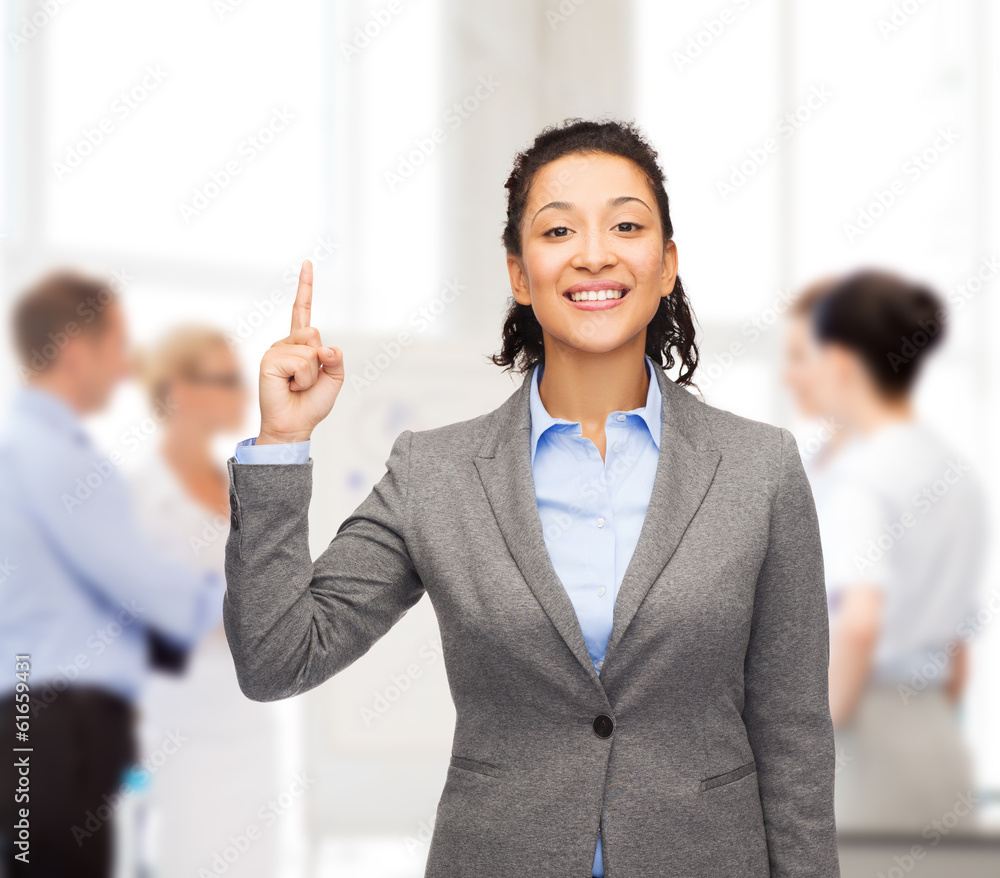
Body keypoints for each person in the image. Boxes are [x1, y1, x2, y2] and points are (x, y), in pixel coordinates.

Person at [223, 118, 841, 875]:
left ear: (667, 265)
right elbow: (277, 658)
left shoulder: (759, 468)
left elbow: (794, 734)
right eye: (558, 230)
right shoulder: (436, 473)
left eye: (626, 225)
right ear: (519, 275)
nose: (594, 254)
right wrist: (282, 442)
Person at [0, 270, 225, 877]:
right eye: (118, 347)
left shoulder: (20, 447)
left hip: (33, 716)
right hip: (57, 722)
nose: (128, 369)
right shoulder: (56, 459)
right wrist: (252, 608)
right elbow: (142, 582)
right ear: (76, 353)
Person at [784, 269, 988, 831]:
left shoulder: (861, 478)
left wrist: (809, 752)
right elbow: (958, 650)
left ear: (840, 362)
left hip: (864, 735)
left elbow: (858, 625)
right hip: (938, 737)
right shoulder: (953, 471)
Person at [128, 325, 283, 876]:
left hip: (249, 722)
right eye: (225, 380)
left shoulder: (239, 485)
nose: (242, 393)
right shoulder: (138, 499)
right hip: (179, 729)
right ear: (180, 392)